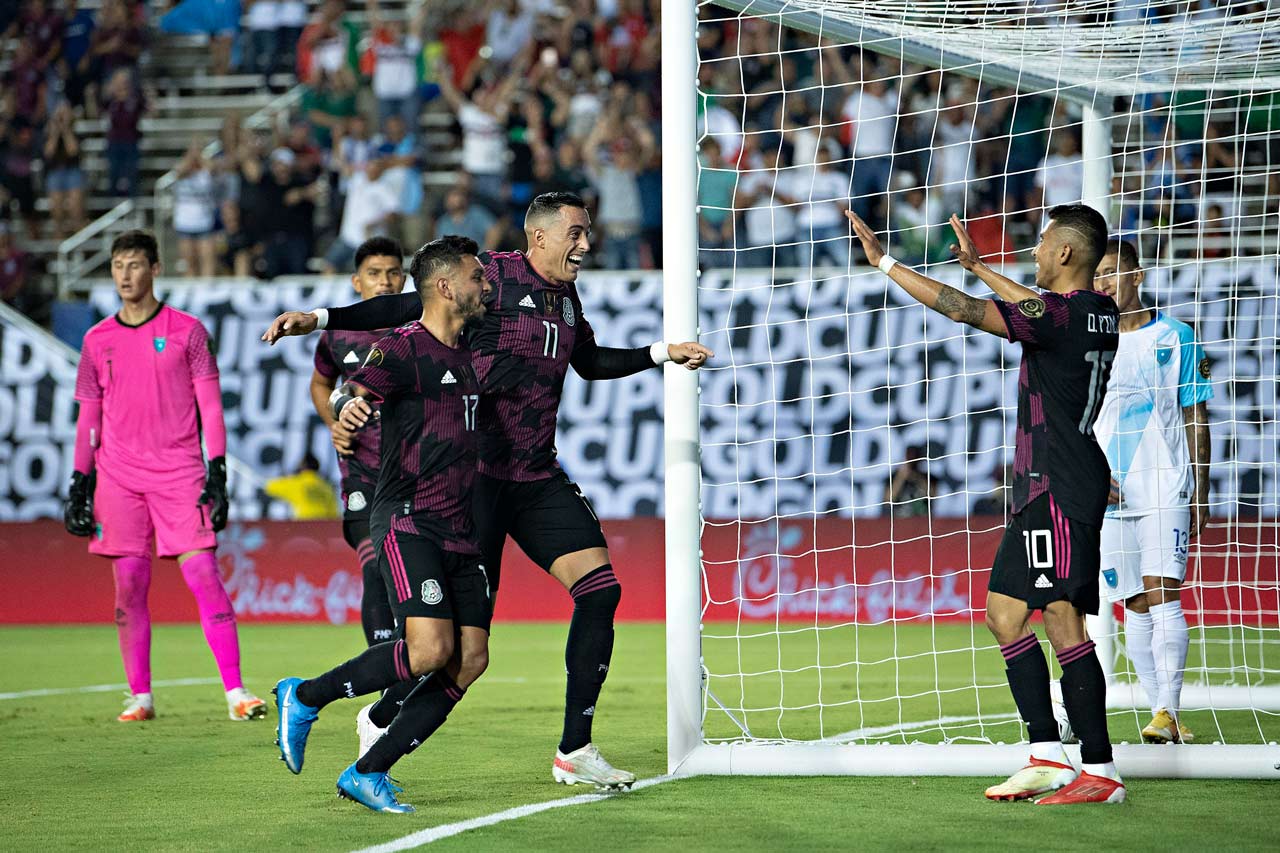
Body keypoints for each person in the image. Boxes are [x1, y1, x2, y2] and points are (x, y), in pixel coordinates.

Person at [262, 192, 713, 789]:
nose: (585, 243)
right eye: (575, 233)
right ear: (541, 237)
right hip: (470, 484)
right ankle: (380, 715)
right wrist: (321, 319)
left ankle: (574, 750)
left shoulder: (566, 298)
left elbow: (591, 361)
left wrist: (661, 354)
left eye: (587, 232)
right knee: (458, 651)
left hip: (534, 475)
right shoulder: (489, 276)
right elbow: (406, 305)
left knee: (599, 590)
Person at [845, 204, 1124, 804]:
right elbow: (1033, 304)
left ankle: (1101, 772)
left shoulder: (1053, 317)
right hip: (1042, 484)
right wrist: (981, 265)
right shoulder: (1099, 309)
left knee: (1061, 620)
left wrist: (886, 262)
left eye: (1046, 241)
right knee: (1004, 613)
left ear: (1067, 254)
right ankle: (1047, 757)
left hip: (1060, 484)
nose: (1039, 248)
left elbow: (966, 309)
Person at [273, 236, 492, 815]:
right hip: (408, 518)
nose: (487, 285)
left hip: (462, 525)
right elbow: (357, 393)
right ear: (447, 286)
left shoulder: (479, 339)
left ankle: (368, 770)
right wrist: (347, 415)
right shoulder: (399, 348)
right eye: (478, 277)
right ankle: (307, 695)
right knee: (427, 651)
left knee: (469, 659)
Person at [64, 230, 266, 724]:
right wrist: (79, 482)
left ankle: (236, 692)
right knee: (129, 584)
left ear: (155, 269)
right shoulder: (97, 341)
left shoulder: (187, 331)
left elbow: (211, 408)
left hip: (180, 473)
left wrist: (216, 473)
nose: (125, 275)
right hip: (118, 477)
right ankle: (141, 696)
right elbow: (89, 418)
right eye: (117, 266)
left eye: (134, 265)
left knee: (202, 573)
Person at [1092, 238, 1212, 745]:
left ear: (1136, 276)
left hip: (1164, 482)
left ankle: (1167, 708)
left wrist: (1200, 491)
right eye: (1095, 276)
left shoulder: (1177, 336)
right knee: (1132, 602)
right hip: (1109, 490)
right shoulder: (1090, 341)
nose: (1102, 284)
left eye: (1112, 273)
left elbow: (1196, 416)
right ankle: (1162, 714)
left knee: (1163, 592)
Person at [309, 237, 407, 647]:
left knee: (413, 576)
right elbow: (320, 383)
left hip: (417, 473)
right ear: (356, 281)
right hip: (362, 476)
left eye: (392, 273)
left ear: (404, 280)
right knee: (374, 565)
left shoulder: (422, 330)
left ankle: (414, 663)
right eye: (374, 273)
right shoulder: (338, 334)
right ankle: (385, 670)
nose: (383, 281)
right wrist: (333, 419)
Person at [263, 452, 341, 519]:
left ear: (302, 467)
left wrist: (288, 477)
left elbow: (269, 486)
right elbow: (334, 514)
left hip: (303, 525)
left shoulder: (296, 483)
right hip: (323, 528)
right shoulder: (326, 487)